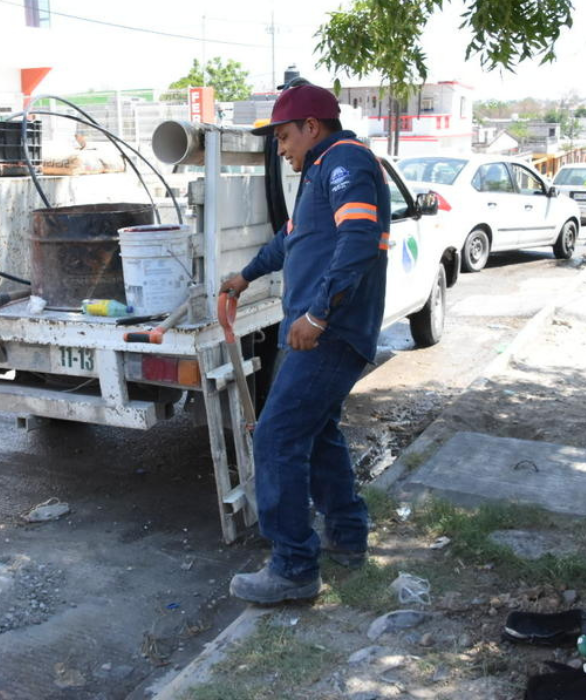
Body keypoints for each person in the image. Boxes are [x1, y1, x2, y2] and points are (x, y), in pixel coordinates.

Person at [221, 84, 391, 604]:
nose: (280, 148)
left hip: (332, 332)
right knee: (317, 435)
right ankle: (346, 533)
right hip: (326, 329)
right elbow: (291, 240)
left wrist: (318, 314)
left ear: (311, 127)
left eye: (283, 136)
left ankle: (293, 566)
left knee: (275, 439)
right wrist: (242, 277)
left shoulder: (346, 162)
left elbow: (360, 241)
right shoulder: (320, 173)